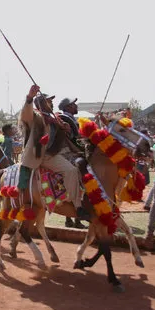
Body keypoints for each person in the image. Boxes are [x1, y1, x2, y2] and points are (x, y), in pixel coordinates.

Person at [20, 84, 87, 220]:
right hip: (41, 156)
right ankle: (77, 206)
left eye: (51, 100)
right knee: (71, 171)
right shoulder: (36, 116)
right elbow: (25, 115)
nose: (52, 102)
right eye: (49, 101)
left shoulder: (55, 119)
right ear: (41, 104)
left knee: (80, 166)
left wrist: (65, 129)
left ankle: (79, 200)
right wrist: (29, 98)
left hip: (55, 153)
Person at [57, 96, 85, 228]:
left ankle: (71, 219)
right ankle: (76, 217)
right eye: (74, 104)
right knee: (81, 170)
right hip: (65, 153)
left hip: (72, 151)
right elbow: (74, 139)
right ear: (68, 107)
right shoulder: (63, 118)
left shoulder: (71, 119)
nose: (76, 106)